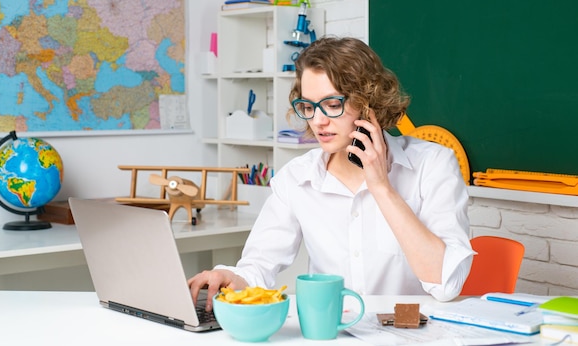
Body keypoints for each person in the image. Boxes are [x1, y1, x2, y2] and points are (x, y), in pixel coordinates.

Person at [189, 36, 473, 311]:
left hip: (411, 336)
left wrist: (382, 188)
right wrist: (230, 278)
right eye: (308, 107)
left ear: (367, 102)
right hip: (332, 335)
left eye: (333, 105)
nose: (318, 120)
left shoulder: (433, 164)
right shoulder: (297, 178)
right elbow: (258, 266)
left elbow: (447, 284)